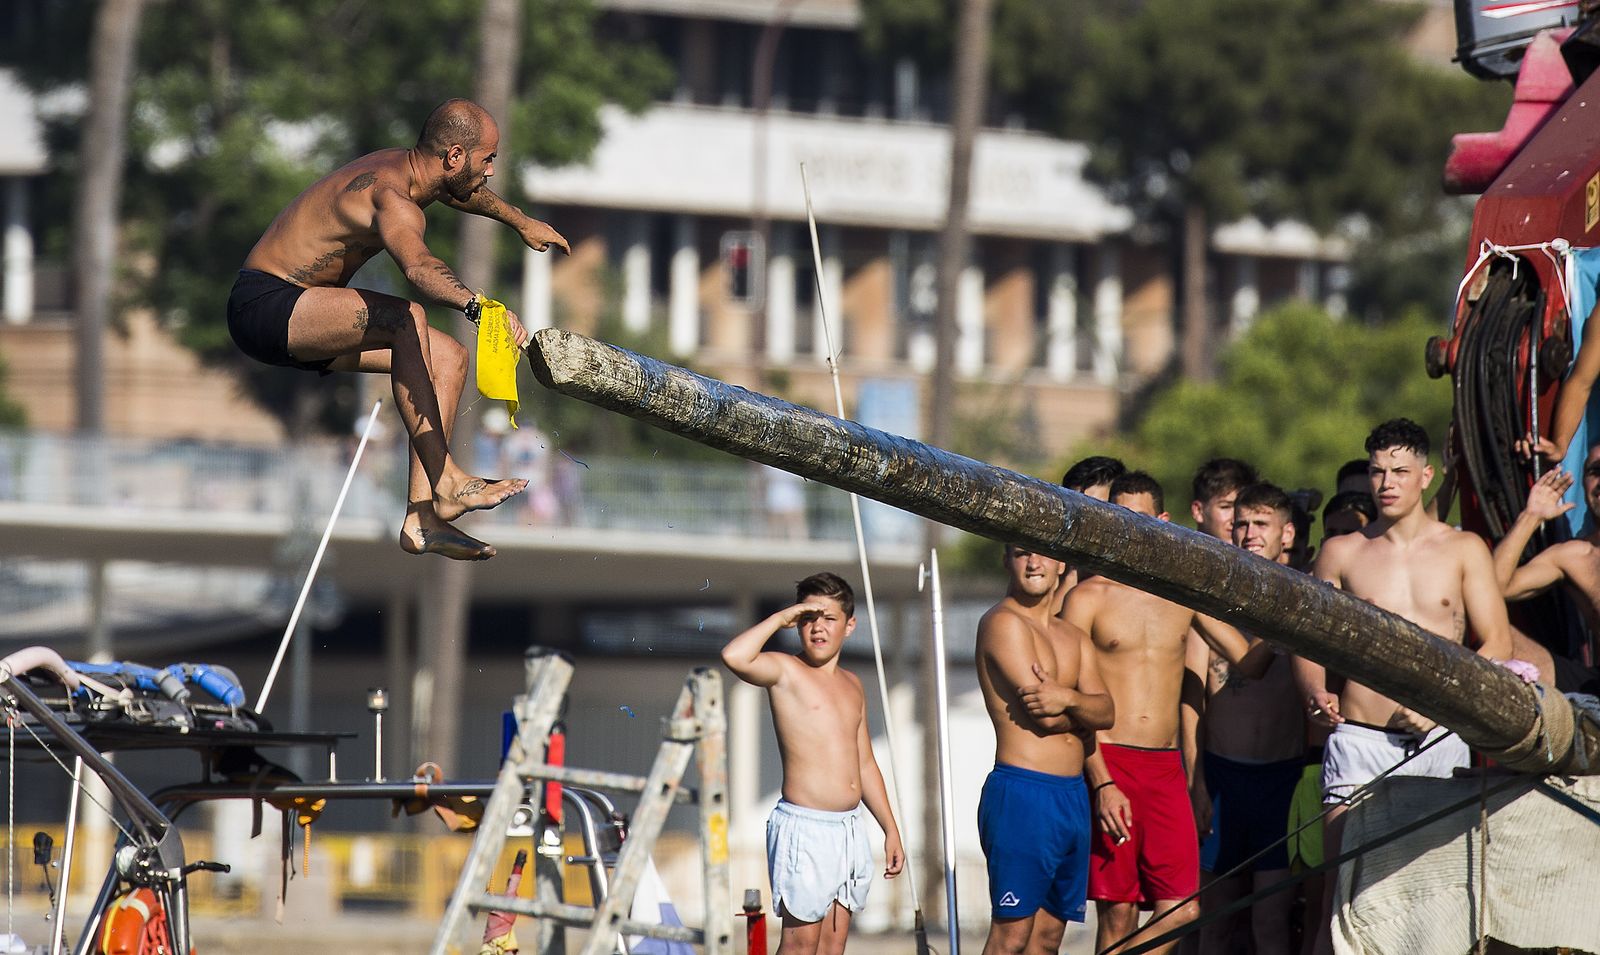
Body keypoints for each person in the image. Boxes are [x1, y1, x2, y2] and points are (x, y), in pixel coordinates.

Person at [230, 98, 570, 561]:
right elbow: (418, 266)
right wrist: (481, 308)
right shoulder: (392, 196)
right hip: (265, 306)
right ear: (453, 156)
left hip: (304, 315)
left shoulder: (413, 171)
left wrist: (521, 221)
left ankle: (423, 518)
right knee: (405, 317)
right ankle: (446, 479)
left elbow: (460, 192)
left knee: (448, 356)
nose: (491, 170)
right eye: (488, 158)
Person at [1294, 419, 1514, 955]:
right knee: (1341, 902)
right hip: (1360, 740)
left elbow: (1498, 644)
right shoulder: (1343, 551)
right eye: (1377, 471)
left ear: (1425, 476)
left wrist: (1443, 709)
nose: (1386, 482)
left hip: (1440, 741)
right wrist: (1314, 692)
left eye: (1399, 470)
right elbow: (1305, 637)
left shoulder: (1464, 549)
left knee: (1435, 905)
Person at [1065, 471, 1274, 955]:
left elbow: (1250, 662)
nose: (1128, 528)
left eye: (1138, 518)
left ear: (1163, 521)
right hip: (1110, 760)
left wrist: (1296, 621)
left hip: (1165, 768)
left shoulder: (1185, 594)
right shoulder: (1088, 597)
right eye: (1117, 517)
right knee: (1117, 913)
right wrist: (1101, 783)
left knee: (1183, 910)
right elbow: (1075, 700)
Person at [720, 573, 904, 955]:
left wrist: (890, 827)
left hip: (850, 829)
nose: (818, 627)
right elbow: (734, 656)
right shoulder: (785, 670)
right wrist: (782, 618)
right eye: (808, 618)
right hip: (805, 827)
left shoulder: (853, 683)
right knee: (801, 944)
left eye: (829, 618)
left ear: (850, 625)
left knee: (833, 945)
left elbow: (865, 762)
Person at [974, 543, 1115, 955]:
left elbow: (1106, 711)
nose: (1033, 562)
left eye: (1041, 554)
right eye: (1021, 553)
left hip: (1071, 795)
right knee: (1012, 935)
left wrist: (1067, 698)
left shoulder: (1071, 635)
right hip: (1024, 792)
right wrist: (1078, 706)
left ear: (1061, 565)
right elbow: (1045, 718)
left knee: (1049, 938)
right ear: (1007, 561)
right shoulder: (1003, 624)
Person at [1193, 483, 1305, 955]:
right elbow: (1193, 699)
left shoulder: (1311, 594)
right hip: (1223, 774)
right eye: (1241, 523)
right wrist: (1196, 781)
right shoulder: (1214, 597)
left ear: (1289, 533)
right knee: (1214, 921)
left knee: (1272, 921)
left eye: (1262, 524)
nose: (1250, 533)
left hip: (1283, 778)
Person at [1490, 450, 1600, 693]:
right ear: (1583, 483)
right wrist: (1531, 517)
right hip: (1593, 685)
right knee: (1491, 625)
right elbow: (1492, 589)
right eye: (1596, 471)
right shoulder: (1573, 557)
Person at [1053, 455, 1129, 612]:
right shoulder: (1047, 569)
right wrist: (1072, 573)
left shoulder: (1143, 585)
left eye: (1098, 508)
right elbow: (1044, 630)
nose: (1087, 519)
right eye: (1077, 508)